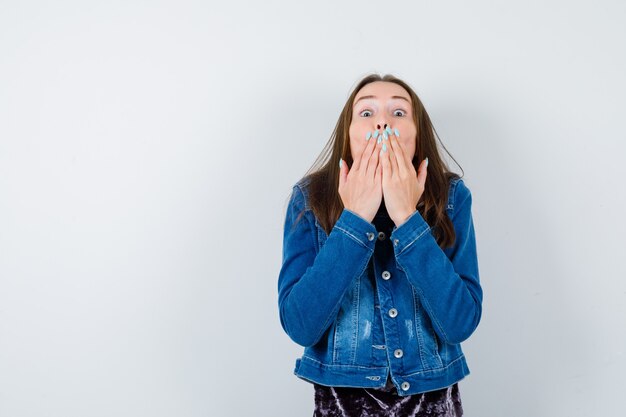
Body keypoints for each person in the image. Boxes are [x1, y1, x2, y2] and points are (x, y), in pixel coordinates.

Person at [277, 73, 483, 417]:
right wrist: (355, 219)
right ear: (349, 134)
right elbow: (300, 325)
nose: (383, 122)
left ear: (418, 137)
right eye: (367, 113)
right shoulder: (309, 199)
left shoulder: (451, 199)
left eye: (399, 113)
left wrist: (407, 217)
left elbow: (460, 322)